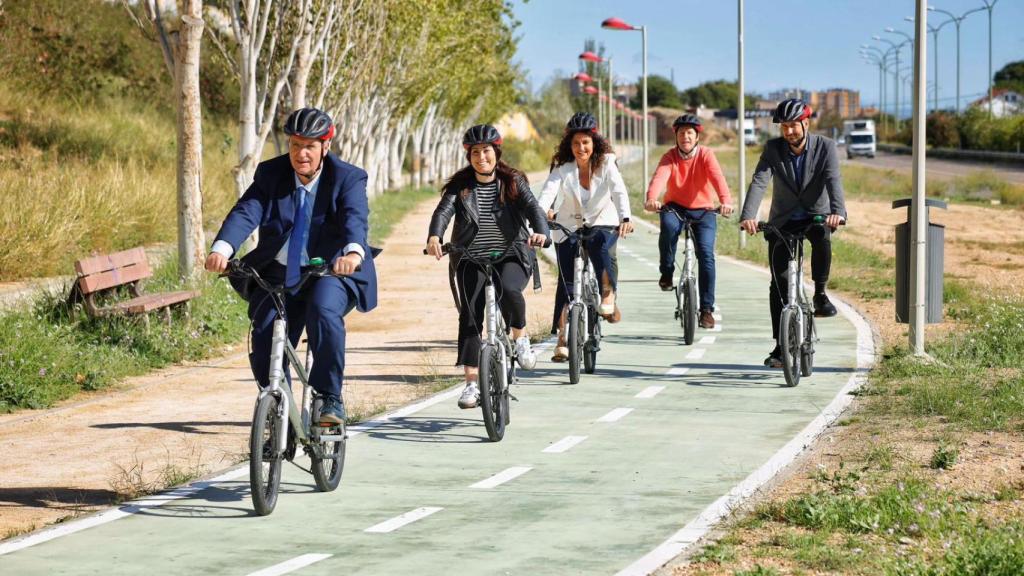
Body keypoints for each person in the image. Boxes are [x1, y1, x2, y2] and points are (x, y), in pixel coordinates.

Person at [205, 107, 377, 425]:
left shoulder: (348, 178)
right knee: (264, 332)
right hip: (281, 271)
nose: (301, 154)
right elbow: (247, 211)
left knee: (324, 310)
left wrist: (353, 254)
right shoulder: (271, 174)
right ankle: (276, 406)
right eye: (295, 145)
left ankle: (329, 399)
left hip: (330, 270)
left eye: (310, 146)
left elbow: (355, 218)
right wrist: (222, 248)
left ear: (325, 146)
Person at [426, 124, 550, 409]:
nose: (481, 157)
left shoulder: (513, 181)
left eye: (486, 151)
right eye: (475, 152)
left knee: (509, 288)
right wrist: (435, 235)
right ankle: (471, 384)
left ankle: (520, 336)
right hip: (471, 257)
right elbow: (444, 211)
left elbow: (533, 209)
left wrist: (540, 231)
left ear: (497, 152)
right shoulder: (461, 186)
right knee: (470, 317)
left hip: (511, 252)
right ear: (468, 156)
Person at [739, 98, 847, 368]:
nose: (789, 132)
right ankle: (780, 346)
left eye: (793, 126)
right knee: (778, 283)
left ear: (806, 123)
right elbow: (759, 180)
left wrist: (838, 211)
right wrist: (748, 215)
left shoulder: (825, 147)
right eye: (784, 127)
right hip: (783, 220)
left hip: (816, 215)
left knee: (822, 237)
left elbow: (834, 180)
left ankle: (820, 294)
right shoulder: (773, 149)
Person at [536, 112, 633, 362]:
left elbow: (619, 191)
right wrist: (538, 219)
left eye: (586, 142)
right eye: (577, 143)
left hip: (603, 220)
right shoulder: (562, 168)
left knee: (602, 249)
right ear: (570, 144)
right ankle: (562, 338)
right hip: (569, 222)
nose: (582, 148)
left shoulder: (608, 163)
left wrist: (625, 218)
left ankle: (608, 293)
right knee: (567, 280)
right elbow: (547, 193)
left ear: (595, 142)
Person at [644, 114, 733, 330]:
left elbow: (717, 179)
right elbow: (659, 178)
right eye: (681, 132)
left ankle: (706, 310)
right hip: (675, 208)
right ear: (676, 136)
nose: (685, 136)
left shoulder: (706, 155)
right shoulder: (669, 157)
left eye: (689, 133)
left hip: (704, 210)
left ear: (697, 137)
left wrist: (726, 201)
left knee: (706, 255)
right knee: (668, 228)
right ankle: (666, 271)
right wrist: (651, 199)